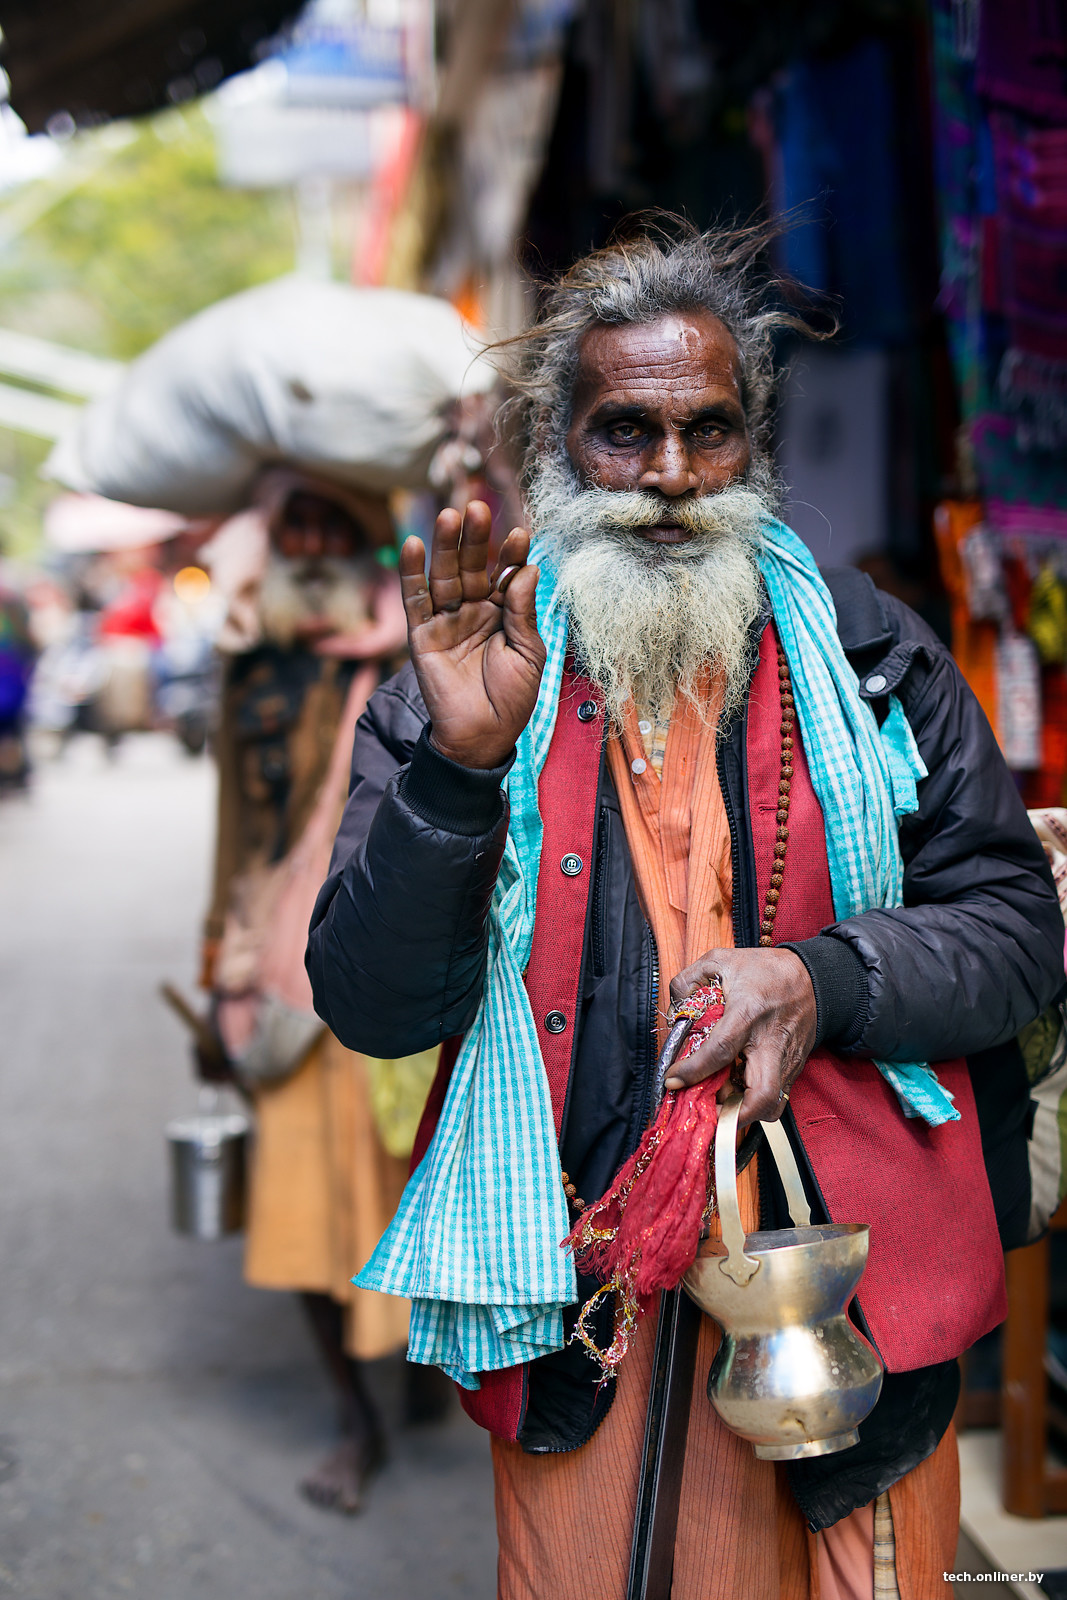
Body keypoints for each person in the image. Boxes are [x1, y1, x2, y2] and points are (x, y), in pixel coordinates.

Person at [305, 223, 1064, 1597]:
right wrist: (458, 777)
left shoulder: (873, 657)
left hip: (848, 1285)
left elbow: (1015, 927)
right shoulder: (461, 682)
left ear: (751, 444)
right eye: (623, 433)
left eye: (705, 433)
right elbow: (368, 1004)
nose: (666, 478)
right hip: (580, 1287)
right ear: (555, 444)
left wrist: (819, 981)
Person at [200, 469, 449, 1516]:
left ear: (360, 545)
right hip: (284, 982)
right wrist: (215, 973)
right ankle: (354, 1421)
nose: (306, 543)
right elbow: (231, 838)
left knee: (418, 1192)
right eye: (289, 526)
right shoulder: (253, 672)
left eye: (328, 525)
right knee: (302, 1211)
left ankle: (426, 1369)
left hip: (399, 971)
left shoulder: (420, 656)